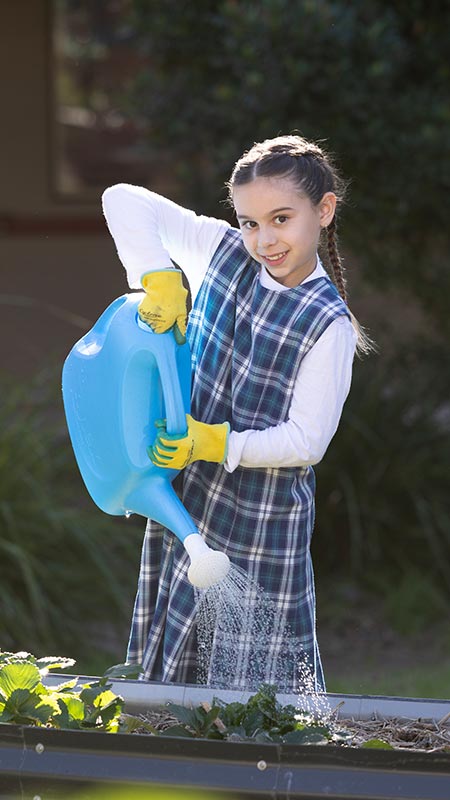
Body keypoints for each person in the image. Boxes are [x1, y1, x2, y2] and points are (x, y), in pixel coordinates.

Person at [102, 134, 365, 692]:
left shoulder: (328, 324)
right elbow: (122, 198)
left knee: (258, 685)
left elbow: (306, 442)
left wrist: (216, 443)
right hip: (187, 501)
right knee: (172, 667)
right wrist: (158, 275)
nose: (263, 239)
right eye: (249, 222)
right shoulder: (221, 252)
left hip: (263, 519)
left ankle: (269, 774)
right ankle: (175, 770)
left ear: (323, 210)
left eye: (280, 219)